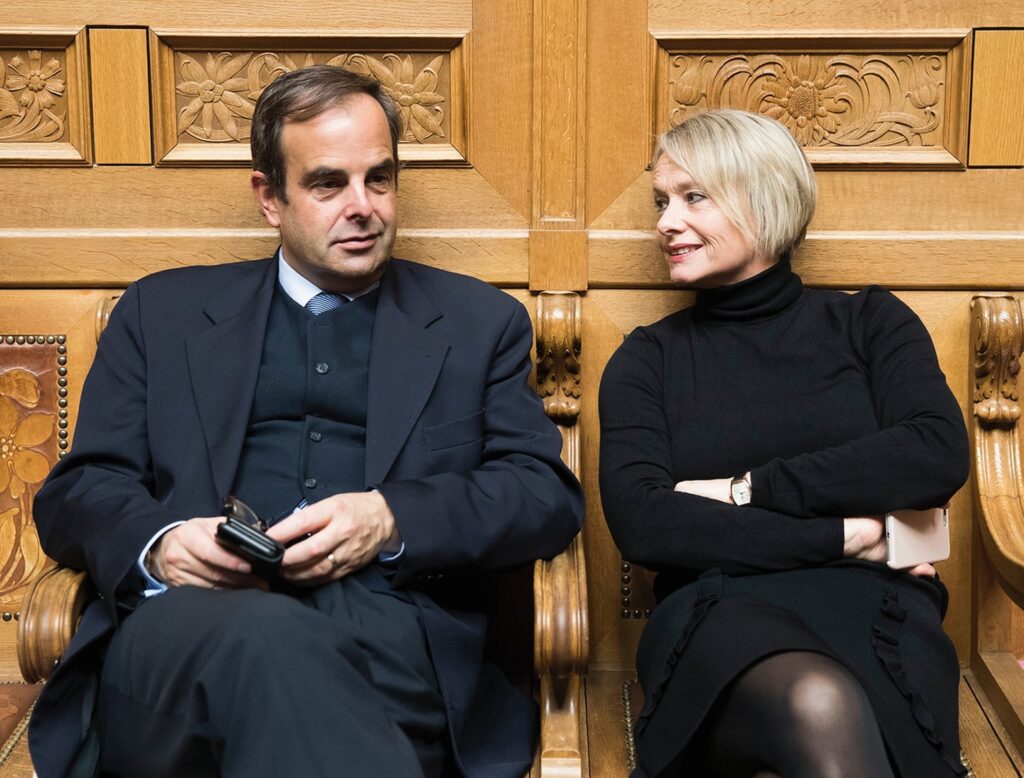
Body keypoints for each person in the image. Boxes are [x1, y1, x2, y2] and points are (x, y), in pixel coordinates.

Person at [29, 65, 584, 778]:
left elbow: (543, 495)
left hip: (389, 638)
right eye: (328, 184)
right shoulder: (160, 314)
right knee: (263, 644)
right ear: (270, 198)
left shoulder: (479, 324)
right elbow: (77, 493)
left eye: (379, 179)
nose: (364, 207)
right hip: (187, 632)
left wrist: (391, 518)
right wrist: (162, 545)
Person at [599, 109, 968, 778]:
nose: (665, 222)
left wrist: (748, 490)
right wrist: (850, 535)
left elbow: (934, 453)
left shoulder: (871, 322)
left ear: (764, 197)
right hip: (718, 612)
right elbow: (646, 522)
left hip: (876, 608)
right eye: (661, 201)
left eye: (693, 197)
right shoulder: (647, 359)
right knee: (816, 703)